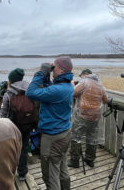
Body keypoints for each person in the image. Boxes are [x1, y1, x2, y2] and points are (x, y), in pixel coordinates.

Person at [26, 56, 74, 190]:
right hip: (64, 133)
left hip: (52, 137)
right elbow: (48, 89)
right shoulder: (66, 86)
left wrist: (41, 73)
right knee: (62, 169)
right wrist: (46, 76)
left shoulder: (58, 90)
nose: (53, 70)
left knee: (50, 175)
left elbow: (31, 93)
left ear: (62, 71)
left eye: (55, 67)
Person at [0, 68, 35, 181]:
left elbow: (3, 113)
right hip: (27, 125)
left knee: (10, 150)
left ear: (11, 80)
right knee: (24, 148)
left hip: (12, 127)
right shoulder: (30, 90)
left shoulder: (8, 94)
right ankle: (22, 173)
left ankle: (9, 172)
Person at [68, 69, 108, 168]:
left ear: (85, 75)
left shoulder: (84, 82)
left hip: (83, 115)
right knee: (92, 138)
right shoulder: (100, 85)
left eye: (81, 76)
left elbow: (73, 93)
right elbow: (105, 100)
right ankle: (90, 160)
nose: (81, 78)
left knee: (75, 137)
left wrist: (73, 84)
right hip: (96, 117)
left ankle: (75, 161)